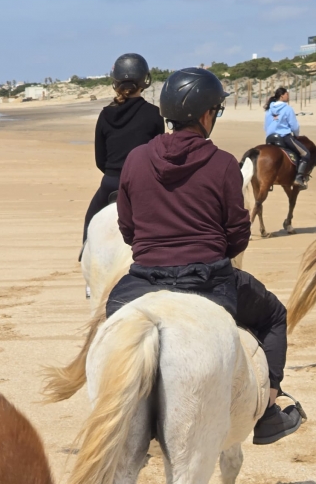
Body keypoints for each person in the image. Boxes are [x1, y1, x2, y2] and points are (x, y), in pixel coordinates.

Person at [106, 67, 304, 445]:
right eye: (217, 111)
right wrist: (214, 252)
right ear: (204, 114)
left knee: (109, 323)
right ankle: (269, 411)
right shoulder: (223, 164)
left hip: (144, 279)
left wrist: (154, 251)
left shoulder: (134, 160)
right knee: (275, 315)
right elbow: (237, 234)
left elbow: (128, 228)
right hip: (208, 281)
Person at [82, 53, 165, 247]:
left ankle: (84, 250)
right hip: (143, 182)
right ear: (144, 80)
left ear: (115, 82)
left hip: (111, 183)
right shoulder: (154, 114)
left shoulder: (105, 115)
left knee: (90, 220)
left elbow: (100, 160)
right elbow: (157, 155)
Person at [264, 87, 310, 189]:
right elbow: (294, 126)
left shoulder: (269, 109)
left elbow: (266, 126)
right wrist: (296, 134)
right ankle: (298, 178)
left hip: (270, 138)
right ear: (282, 96)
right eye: (287, 94)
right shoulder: (287, 108)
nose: (288, 96)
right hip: (283, 137)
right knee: (305, 154)